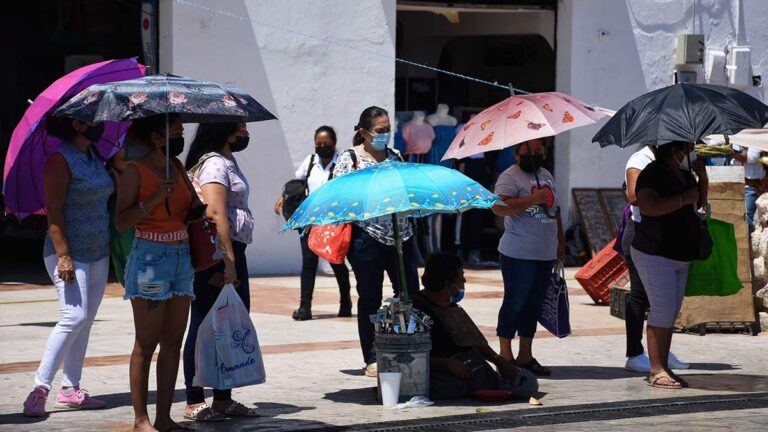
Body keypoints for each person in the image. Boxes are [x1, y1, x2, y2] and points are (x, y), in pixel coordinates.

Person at [115, 114, 201, 432]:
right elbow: (121, 221)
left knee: (172, 343)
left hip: (181, 256)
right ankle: (141, 420)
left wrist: (195, 206)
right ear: (156, 136)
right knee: (146, 342)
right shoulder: (135, 172)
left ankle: (164, 417)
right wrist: (153, 199)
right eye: (176, 131)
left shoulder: (177, 168)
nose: (181, 137)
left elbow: (188, 208)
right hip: (150, 257)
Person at [22, 117, 112, 417]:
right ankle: (40, 388)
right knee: (73, 316)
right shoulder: (60, 160)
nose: (100, 122)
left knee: (86, 321)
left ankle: (71, 388)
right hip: (68, 253)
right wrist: (63, 255)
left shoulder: (94, 155)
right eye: (94, 119)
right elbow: (55, 211)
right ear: (78, 124)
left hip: (99, 250)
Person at [333, 106, 419, 377]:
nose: (386, 136)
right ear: (364, 132)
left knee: (409, 294)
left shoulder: (395, 156)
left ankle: (407, 346)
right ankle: (371, 356)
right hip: (367, 238)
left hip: (401, 236)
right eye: (380, 131)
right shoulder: (350, 160)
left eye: (388, 130)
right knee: (370, 297)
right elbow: (341, 196)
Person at [182, 122, 259, 421]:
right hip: (218, 253)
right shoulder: (214, 163)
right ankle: (194, 399)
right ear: (225, 130)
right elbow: (215, 214)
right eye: (240, 127)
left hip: (233, 251)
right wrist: (227, 262)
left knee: (229, 326)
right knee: (204, 325)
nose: (245, 133)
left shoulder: (227, 160)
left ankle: (223, 399)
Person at [631, 141, 708, 389]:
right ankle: (656, 370)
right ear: (674, 151)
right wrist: (682, 198)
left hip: (680, 254)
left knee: (671, 312)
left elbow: (698, 203)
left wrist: (702, 178)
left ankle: (664, 365)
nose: (689, 153)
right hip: (655, 252)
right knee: (662, 309)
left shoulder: (684, 174)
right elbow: (648, 206)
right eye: (686, 149)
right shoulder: (652, 174)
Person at [413, 253, 538, 400]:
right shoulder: (416, 310)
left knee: (527, 382)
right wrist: (446, 363)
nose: (464, 281)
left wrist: (499, 361)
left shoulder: (451, 307)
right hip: (431, 374)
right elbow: (408, 358)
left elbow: (474, 341)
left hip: (466, 367)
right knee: (454, 386)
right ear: (448, 284)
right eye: (461, 276)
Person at [491, 139, 565, 377]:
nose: (533, 155)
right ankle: (505, 355)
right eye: (527, 151)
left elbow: (555, 211)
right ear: (516, 153)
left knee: (533, 304)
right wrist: (533, 200)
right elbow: (499, 207)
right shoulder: (509, 177)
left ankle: (525, 354)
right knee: (515, 302)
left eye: (538, 151)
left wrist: (560, 242)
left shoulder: (546, 175)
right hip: (518, 252)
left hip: (544, 252)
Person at [273, 126, 352, 321]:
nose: (322, 147)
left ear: (334, 144)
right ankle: (304, 307)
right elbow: (296, 183)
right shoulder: (310, 162)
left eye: (327, 144)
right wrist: (284, 197)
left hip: (333, 221)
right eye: (319, 144)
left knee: (336, 262)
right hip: (309, 220)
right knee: (308, 263)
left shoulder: (341, 163)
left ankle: (345, 302)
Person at [622, 145, 689, 373]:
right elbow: (634, 195)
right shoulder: (640, 160)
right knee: (641, 297)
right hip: (643, 233)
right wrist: (676, 198)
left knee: (666, 303)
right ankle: (635, 353)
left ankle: (660, 352)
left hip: (667, 237)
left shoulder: (679, 167)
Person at [731, 144, 765, 233]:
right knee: (737, 215)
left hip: (751, 186)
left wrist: (730, 152)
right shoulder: (737, 139)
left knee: (746, 218)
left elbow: (751, 158)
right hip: (737, 184)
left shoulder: (753, 138)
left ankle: (749, 238)